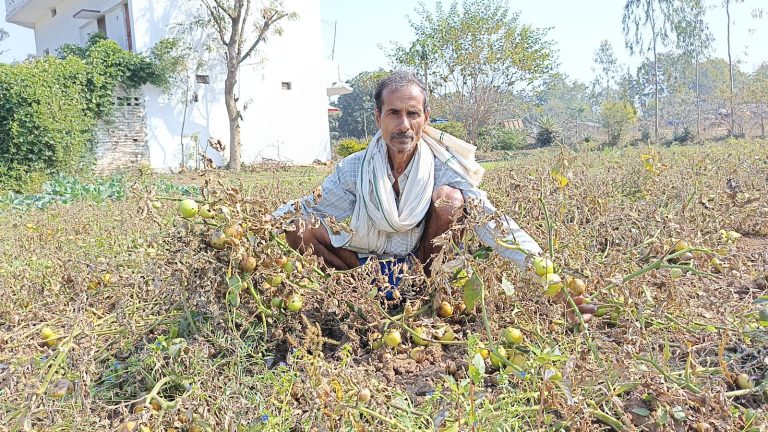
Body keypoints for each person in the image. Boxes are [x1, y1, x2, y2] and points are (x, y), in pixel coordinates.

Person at [274, 71, 541, 274]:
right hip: (362, 265)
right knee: (298, 227)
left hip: (421, 265)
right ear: (378, 118)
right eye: (393, 113)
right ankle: (359, 287)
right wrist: (258, 224)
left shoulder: (442, 167)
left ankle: (426, 285)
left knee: (450, 200)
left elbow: (489, 219)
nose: (403, 125)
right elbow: (310, 208)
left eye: (412, 113)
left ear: (425, 118)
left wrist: (545, 271)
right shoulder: (356, 168)